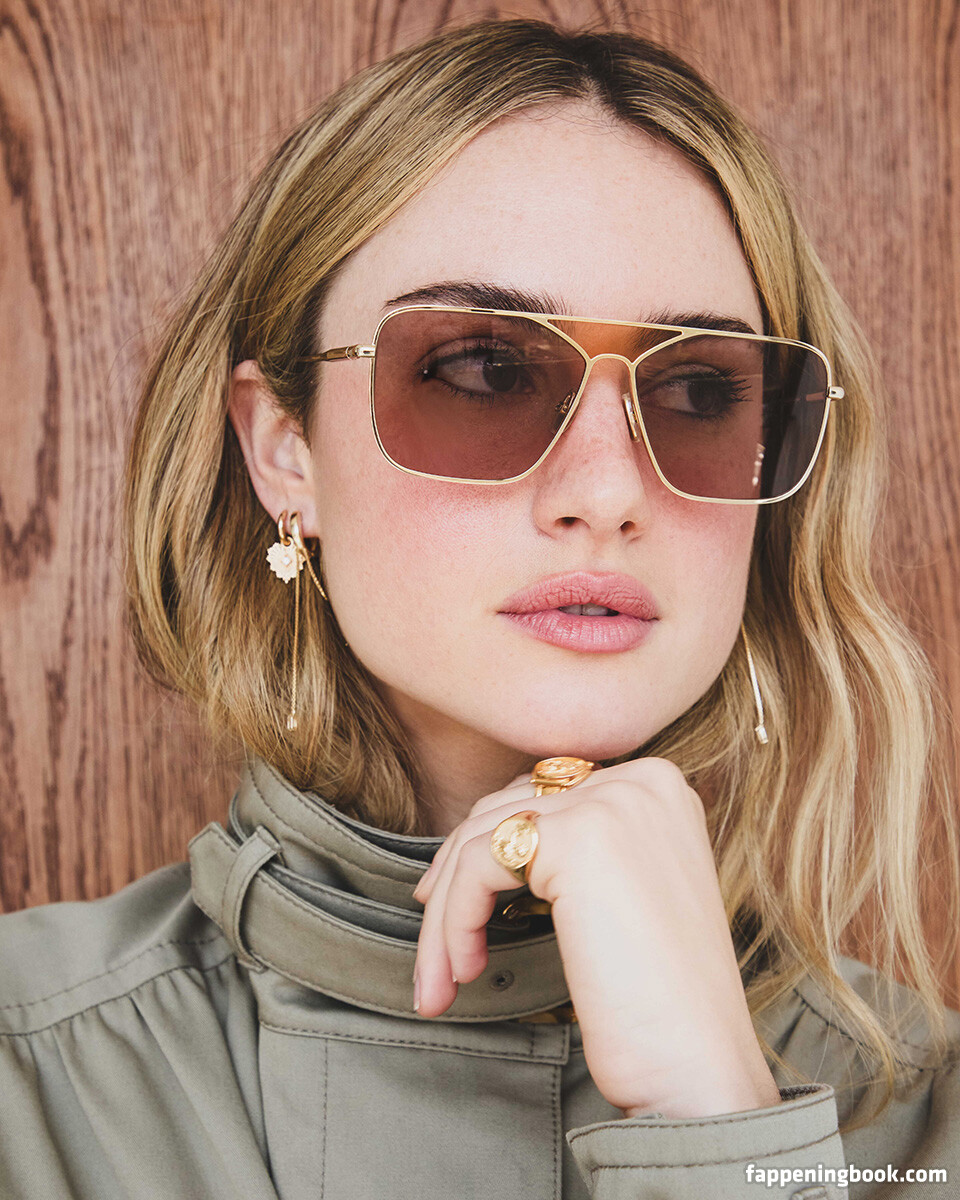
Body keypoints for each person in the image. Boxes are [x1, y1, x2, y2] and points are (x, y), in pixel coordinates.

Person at [1, 17, 958, 1200]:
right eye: (483, 371)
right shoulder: (23, 1079)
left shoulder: (928, 1118)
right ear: (286, 450)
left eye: (699, 390)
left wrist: (721, 1125)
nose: (609, 492)